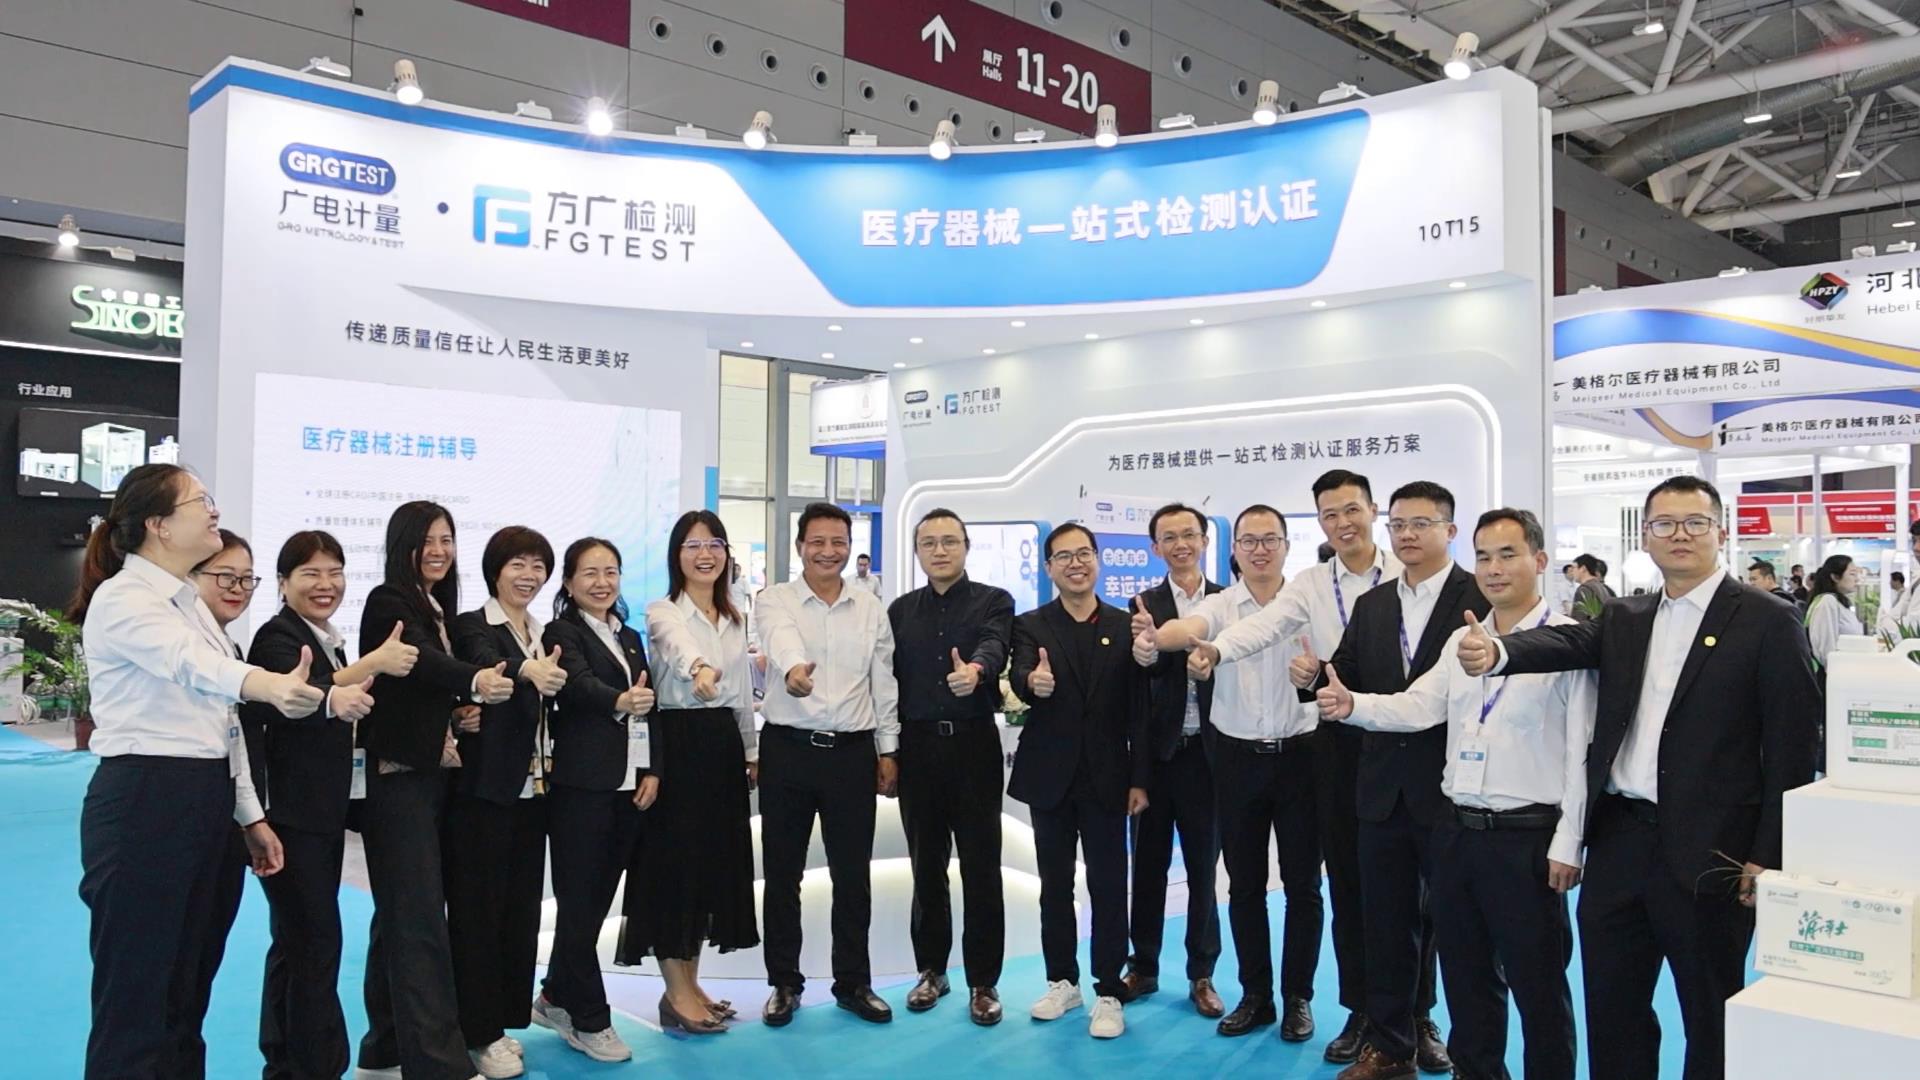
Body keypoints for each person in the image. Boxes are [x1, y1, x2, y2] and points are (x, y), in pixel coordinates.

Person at [1459, 476, 1819, 1080]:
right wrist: (1500, 653)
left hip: (1713, 849)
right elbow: (1566, 642)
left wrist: (1768, 853)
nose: (1680, 535)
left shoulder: (1768, 620)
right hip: (1620, 842)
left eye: (1695, 522)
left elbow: (1792, 747)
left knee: (1710, 1013)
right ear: (1645, 536)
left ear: (1720, 531)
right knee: (1613, 1009)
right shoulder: (1627, 616)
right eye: (1664, 524)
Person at [1167, 469, 1437, 1065]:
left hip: (1398, 750)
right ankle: (1352, 1011)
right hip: (1330, 752)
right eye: (1330, 514)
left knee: (1413, 897)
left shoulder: (1409, 576)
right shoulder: (1311, 587)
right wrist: (1210, 648)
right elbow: (1257, 629)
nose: (1342, 523)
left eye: (1351, 510)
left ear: (1373, 512)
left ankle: (1417, 1017)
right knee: (1341, 887)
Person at [1319, 508, 1594, 1080]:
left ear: (1540, 560)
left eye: (1508, 555)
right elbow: (1420, 706)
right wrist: (1354, 705)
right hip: (1456, 832)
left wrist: (1570, 842)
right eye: (1485, 556)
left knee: (1538, 986)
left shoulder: (1568, 643)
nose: (1494, 569)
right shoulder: (1462, 639)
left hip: (1528, 839)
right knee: (1468, 980)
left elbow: (1582, 754)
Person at [73, 464, 323, 1078]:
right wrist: (267, 683)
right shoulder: (125, 598)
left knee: (187, 992)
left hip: (206, 797)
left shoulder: (190, 603)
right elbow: (188, 664)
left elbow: (222, 723)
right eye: (200, 502)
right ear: (158, 525)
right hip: (145, 798)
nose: (214, 511)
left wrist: (249, 817)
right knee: (137, 998)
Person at [1301, 481, 1486, 1080]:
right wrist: (1316, 678)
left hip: (1452, 786)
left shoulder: (1478, 596)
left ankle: (1438, 1030)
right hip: (1380, 786)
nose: (1407, 535)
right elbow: (1348, 672)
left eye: (1421, 524)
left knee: (1454, 924)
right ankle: (1390, 1044)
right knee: (1385, 920)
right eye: (1399, 525)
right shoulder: (1375, 604)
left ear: (1449, 531)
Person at [1137, 505, 1321, 1042]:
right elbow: (1187, 628)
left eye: (1270, 540)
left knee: (1304, 887)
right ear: (1234, 548)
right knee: (1243, 887)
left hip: (1302, 758)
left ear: (1286, 545)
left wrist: (1315, 675)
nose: (1260, 550)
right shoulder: (1220, 604)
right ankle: (1256, 995)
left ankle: (1299, 998)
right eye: (1249, 541)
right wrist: (1158, 638)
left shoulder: (1310, 602)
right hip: (1238, 762)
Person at [246, 529, 415, 1080]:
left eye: (334, 572)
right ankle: (314, 1066)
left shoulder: (325, 637)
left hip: (319, 814)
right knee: (314, 945)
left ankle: (287, 1063)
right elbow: (302, 694)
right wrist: (373, 663)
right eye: (310, 574)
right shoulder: (278, 637)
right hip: (291, 817)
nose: (326, 584)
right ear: (282, 582)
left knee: (297, 945)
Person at [356, 501, 516, 1080]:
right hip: (399, 778)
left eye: (446, 539)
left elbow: (416, 693)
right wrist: (473, 680)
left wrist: (455, 715)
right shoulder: (388, 601)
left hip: (429, 775)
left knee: (400, 917)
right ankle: (438, 1065)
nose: (439, 550)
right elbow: (417, 663)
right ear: (403, 545)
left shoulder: (436, 607)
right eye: (427, 540)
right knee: (419, 921)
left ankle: (385, 1049)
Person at [754, 502, 901, 1026]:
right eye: (817, 541)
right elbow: (781, 639)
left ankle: (853, 983)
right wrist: (795, 670)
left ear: (850, 548)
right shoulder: (774, 600)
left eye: (838, 542)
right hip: (787, 750)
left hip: (852, 755)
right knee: (782, 876)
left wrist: (888, 749)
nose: (828, 552)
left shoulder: (870, 608)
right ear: (800, 547)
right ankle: (784, 983)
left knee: (852, 877)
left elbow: (884, 682)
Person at [1011, 522, 1152, 1039]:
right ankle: (1062, 982)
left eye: (1084, 553)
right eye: (1064, 556)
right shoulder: (1030, 625)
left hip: (1108, 777)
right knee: (1054, 886)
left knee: (1110, 885)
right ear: (1049, 567)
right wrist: (1033, 682)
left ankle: (1109, 990)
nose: (1076, 563)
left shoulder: (1125, 624)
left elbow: (1139, 711)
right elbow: (1022, 676)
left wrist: (1140, 779)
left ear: (1098, 560)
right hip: (1050, 775)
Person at [626, 513, 761, 1033]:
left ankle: (691, 984)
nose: (705, 555)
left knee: (709, 868)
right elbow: (678, 646)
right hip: (678, 745)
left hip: (721, 745)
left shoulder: (734, 616)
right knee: (674, 869)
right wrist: (700, 670)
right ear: (676, 555)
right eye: (692, 545)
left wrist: (750, 750)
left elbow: (741, 695)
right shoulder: (663, 610)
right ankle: (675, 992)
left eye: (714, 544)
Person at [447, 527, 571, 1078]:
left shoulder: (542, 631)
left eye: (538, 565)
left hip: (535, 794)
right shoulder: (473, 625)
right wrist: (526, 669)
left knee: (519, 912)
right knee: (478, 913)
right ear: (494, 570)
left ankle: (498, 1024)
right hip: (485, 794)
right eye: (517, 564)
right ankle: (476, 1033)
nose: (529, 575)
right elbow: (482, 660)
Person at [889, 508, 1014, 1025]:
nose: (939, 551)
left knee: (981, 867)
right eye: (929, 543)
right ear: (917, 551)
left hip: (973, 746)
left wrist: (978, 670)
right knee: (926, 866)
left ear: (966, 546)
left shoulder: (993, 601)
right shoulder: (899, 611)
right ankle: (931, 971)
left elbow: (996, 644)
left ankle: (983, 982)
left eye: (949, 541)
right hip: (917, 748)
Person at [537, 537, 656, 1061]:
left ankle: (554, 996)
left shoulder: (628, 636)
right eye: (589, 573)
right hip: (581, 787)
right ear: (568, 582)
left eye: (610, 572)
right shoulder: (561, 633)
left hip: (628, 786)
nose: (602, 582)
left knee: (593, 905)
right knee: (579, 902)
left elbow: (650, 705)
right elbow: (576, 686)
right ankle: (591, 1019)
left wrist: (652, 769)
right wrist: (619, 699)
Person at [1121, 503, 1224, 1016]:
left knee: (1204, 870)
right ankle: (1143, 966)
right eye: (1169, 537)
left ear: (1204, 540)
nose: (1181, 544)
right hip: (1158, 761)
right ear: (1154, 547)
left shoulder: (1228, 602)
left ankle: (1202, 974)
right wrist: (1137, 776)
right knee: (1148, 868)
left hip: (1209, 758)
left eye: (1189, 534)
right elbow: (1136, 697)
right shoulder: (1143, 605)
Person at [1805, 555, 1865, 675]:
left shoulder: (1839, 602)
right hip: (1833, 675)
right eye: (1852, 574)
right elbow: (1825, 648)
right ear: (1835, 577)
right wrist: (1835, 675)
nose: (1857, 579)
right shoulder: (1828, 601)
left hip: (1845, 671)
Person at [1567, 554, 1614, 621]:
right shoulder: (1602, 587)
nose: (1572, 572)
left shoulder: (1584, 590)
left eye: (1574, 568)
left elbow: (1578, 621)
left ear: (1583, 569)